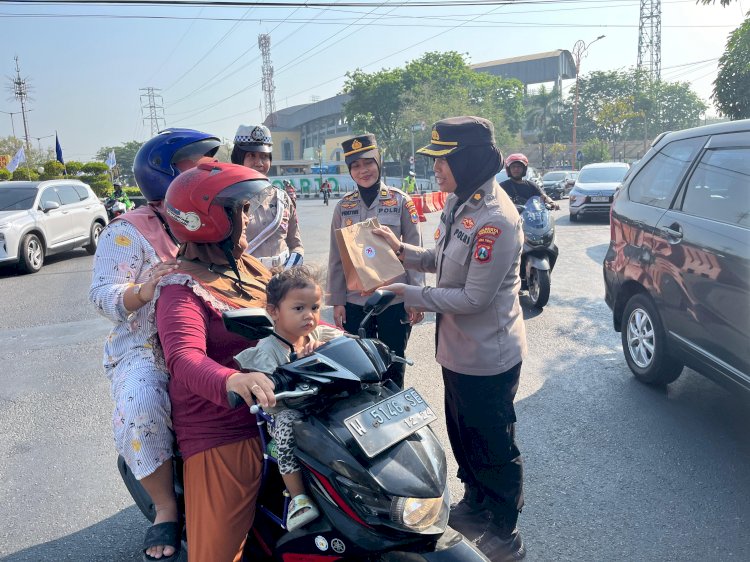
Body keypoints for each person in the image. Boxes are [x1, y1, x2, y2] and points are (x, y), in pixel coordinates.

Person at [374, 116, 528, 561]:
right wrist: (401, 250)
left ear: (469, 160)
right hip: (458, 350)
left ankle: (504, 529)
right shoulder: (460, 203)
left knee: (494, 443)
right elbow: (442, 261)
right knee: (463, 434)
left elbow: (475, 297)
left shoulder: (496, 218)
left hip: (488, 355)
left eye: (443, 160)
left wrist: (411, 293)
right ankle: (476, 503)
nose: (436, 170)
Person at [89, 128, 222, 562]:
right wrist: (142, 291)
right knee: (142, 400)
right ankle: (165, 507)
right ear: (165, 172)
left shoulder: (211, 216)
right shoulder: (127, 231)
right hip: (147, 345)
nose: (206, 169)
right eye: (195, 164)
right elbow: (102, 294)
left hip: (209, 331)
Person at [154, 162, 276, 562]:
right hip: (224, 425)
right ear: (206, 220)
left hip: (284, 406)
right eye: (238, 211)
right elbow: (184, 358)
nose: (247, 218)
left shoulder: (246, 266)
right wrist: (231, 381)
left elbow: (293, 308)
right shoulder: (180, 287)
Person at [235, 265, 343, 532]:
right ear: (274, 311)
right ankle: (298, 497)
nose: (309, 316)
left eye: (315, 308)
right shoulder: (267, 349)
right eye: (299, 309)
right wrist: (299, 366)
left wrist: (328, 348)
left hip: (318, 405)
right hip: (284, 413)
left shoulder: (315, 335)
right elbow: (269, 396)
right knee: (286, 424)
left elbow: (345, 340)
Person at [327, 133, 424, 389]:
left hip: (396, 298)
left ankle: (396, 421)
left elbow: (415, 250)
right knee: (361, 367)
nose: (363, 170)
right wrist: (337, 302)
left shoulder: (401, 201)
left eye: (368, 163)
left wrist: (417, 297)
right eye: (356, 166)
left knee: (394, 364)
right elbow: (336, 257)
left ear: (379, 162)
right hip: (356, 300)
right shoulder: (343, 207)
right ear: (350, 172)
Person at [231, 124, 303, 269]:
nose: (259, 163)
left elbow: (296, 245)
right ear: (239, 158)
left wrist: (288, 272)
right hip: (246, 279)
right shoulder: (227, 200)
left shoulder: (282, 198)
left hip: (281, 278)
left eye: (264, 156)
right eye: (251, 156)